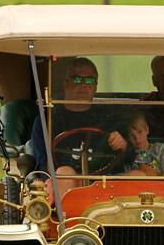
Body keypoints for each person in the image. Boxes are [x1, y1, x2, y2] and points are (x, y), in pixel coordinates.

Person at [23, 57, 128, 197]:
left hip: (103, 182)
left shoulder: (109, 118)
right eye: (77, 80)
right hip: (63, 183)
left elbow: (128, 159)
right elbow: (42, 165)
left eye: (89, 80)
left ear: (96, 85)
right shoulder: (48, 120)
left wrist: (123, 146)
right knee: (65, 172)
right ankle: (64, 217)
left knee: (139, 174)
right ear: (65, 83)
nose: (83, 85)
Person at [124, 111, 164, 176]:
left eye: (140, 132)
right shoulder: (129, 156)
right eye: (132, 136)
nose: (137, 139)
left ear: (147, 129)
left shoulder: (160, 148)